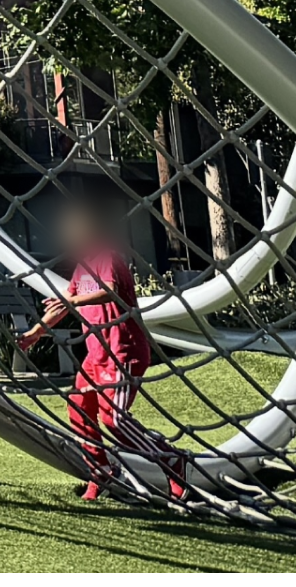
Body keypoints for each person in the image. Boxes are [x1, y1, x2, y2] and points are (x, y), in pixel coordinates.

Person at [12, 189, 185, 504]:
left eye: (76, 231)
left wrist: (73, 299)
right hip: (96, 356)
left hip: (124, 352)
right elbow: (64, 305)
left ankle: (170, 458)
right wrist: (36, 332)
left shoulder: (107, 256)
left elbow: (111, 292)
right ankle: (102, 470)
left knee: (114, 419)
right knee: (79, 408)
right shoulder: (81, 267)